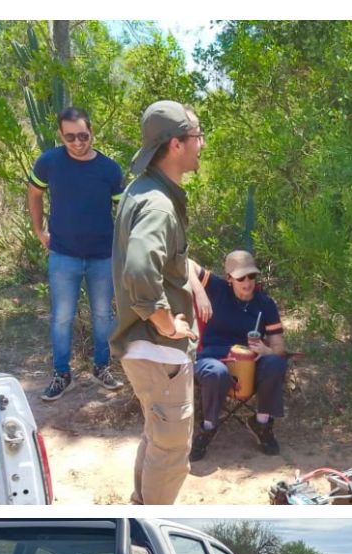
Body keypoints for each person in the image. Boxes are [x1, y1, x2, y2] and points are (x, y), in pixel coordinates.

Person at [110, 100, 212, 505]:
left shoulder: (144, 190)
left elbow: (162, 259)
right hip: (158, 351)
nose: (202, 145)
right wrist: (167, 325)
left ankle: (139, 510)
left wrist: (193, 280)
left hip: (147, 350)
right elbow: (140, 269)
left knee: (157, 437)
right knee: (170, 451)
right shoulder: (158, 204)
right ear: (175, 144)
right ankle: (149, 521)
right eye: (197, 136)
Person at [28, 106, 125, 401]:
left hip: (102, 255)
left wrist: (124, 248)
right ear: (60, 135)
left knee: (103, 315)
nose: (78, 142)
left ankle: (102, 367)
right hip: (63, 254)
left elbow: (123, 212)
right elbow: (34, 193)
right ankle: (62, 374)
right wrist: (38, 230)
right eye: (70, 137)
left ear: (91, 131)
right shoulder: (49, 163)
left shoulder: (110, 169)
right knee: (61, 317)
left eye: (83, 135)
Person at [190, 251, 288, 461]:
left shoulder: (265, 304)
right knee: (216, 372)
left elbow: (279, 347)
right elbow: (185, 263)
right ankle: (208, 427)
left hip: (250, 364)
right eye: (241, 277)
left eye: (251, 276)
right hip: (215, 357)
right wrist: (199, 292)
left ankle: (262, 423)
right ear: (229, 278)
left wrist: (267, 350)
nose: (247, 282)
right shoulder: (217, 289)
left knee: (275, 363)